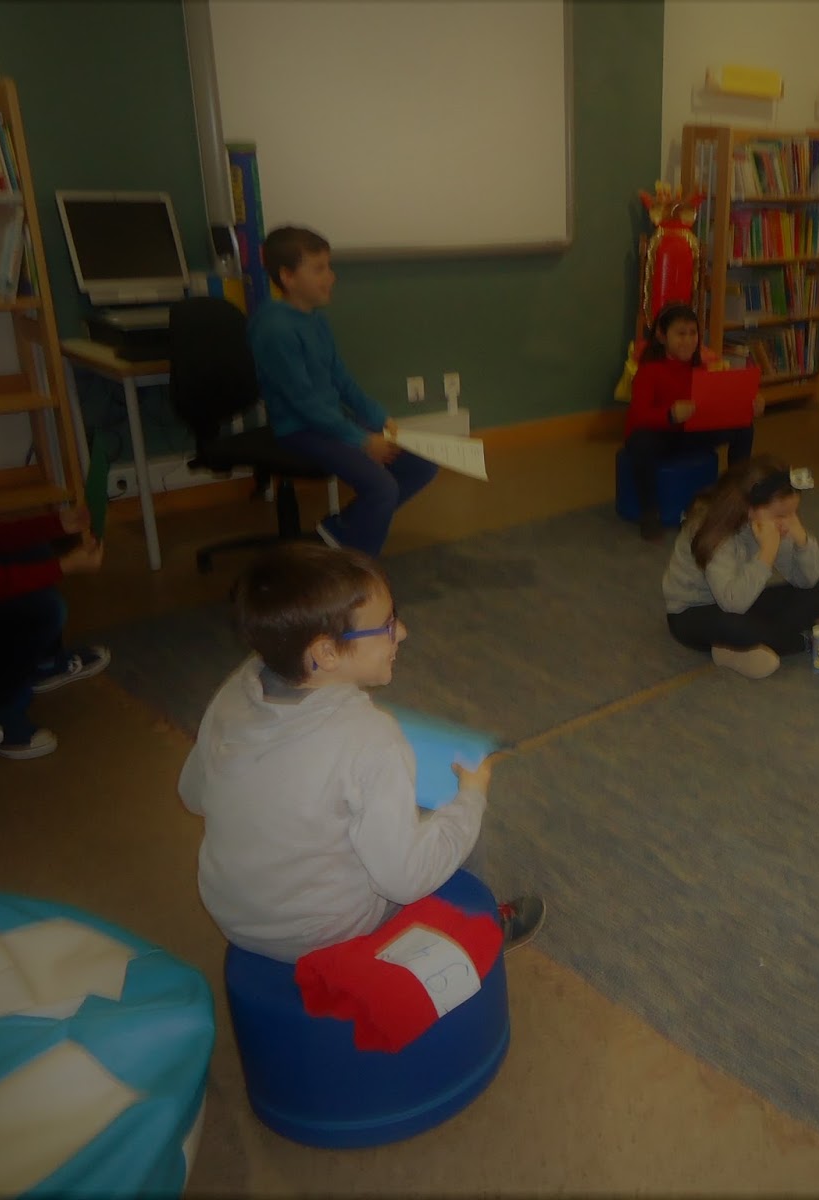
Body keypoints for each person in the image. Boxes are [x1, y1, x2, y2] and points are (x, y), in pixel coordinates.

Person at [178, 542, 544, 963]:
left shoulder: (237, 689)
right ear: (326, 653)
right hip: (322, 934)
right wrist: (472, 797)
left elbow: (193, 794)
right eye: (387, 625)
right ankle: (480, 930)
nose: (401, 632)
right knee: (457, 816)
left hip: (234, 914)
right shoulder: (371, 737)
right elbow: (403, 879)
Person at [0, 378, 108, 759]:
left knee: (33, 551)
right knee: (45, 610)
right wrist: (63, 566)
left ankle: (43, 662)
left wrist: (56, 524)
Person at [250, 225, 438, 557]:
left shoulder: (316, 320)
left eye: (329, 266)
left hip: (331, 422)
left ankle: (342, 531)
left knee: (422, 464)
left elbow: (342, 380)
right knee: (382, 488)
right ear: (288, 277)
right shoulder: (274, 328)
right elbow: (305, 403)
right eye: (319, 269)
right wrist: (363, 440)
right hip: (300, 430)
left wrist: (381, 419)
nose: (331, 277)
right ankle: (357, 568)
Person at [662, 455, 819, 679]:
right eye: (781, 515)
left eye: (793, 513)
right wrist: (767, 553)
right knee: (741, 629)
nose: (787, 521)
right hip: (693, 612)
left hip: (743, 598)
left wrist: (802, 541)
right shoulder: (713, 530)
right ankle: (801, 641)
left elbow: (805, 581)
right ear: (749, 508)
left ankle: (744, 645)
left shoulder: (770, 523)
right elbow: (733, 603)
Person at [625, 303, 757, 541]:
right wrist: (670, 414)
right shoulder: (649, 371)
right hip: (659, 436)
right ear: (662, 336)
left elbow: (717, 406)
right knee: (640, 442)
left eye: (693, 333)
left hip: (691, 433)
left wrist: (748, 407)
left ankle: (736, 497)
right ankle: (649, 511)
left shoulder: (701, 367)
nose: (688, 340)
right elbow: (639, 415)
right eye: (680, 334)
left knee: (744, 428)